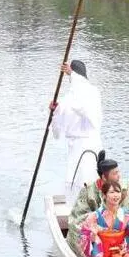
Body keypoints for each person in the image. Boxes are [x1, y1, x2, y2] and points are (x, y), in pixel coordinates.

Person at [50, 60, 103, 204]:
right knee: (72, 179)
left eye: (73, 73)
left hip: (89, 143)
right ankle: (73, 209)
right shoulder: (67, 99)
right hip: (73, 146)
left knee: (88, 177)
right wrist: (54, 112)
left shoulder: (91, 92)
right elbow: (56, 133)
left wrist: (71, 73)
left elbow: (85, 109)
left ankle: (93, 210)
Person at [67, 152, 129, 254]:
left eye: (119, 172)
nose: (119, 176)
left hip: (120, 230)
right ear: (104, 177)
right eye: (115, 173)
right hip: (95, 230)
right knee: (77, 230)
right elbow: (77, 217)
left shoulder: (124, 188)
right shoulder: (88, 190)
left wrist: (118, 223)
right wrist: (98, 223)